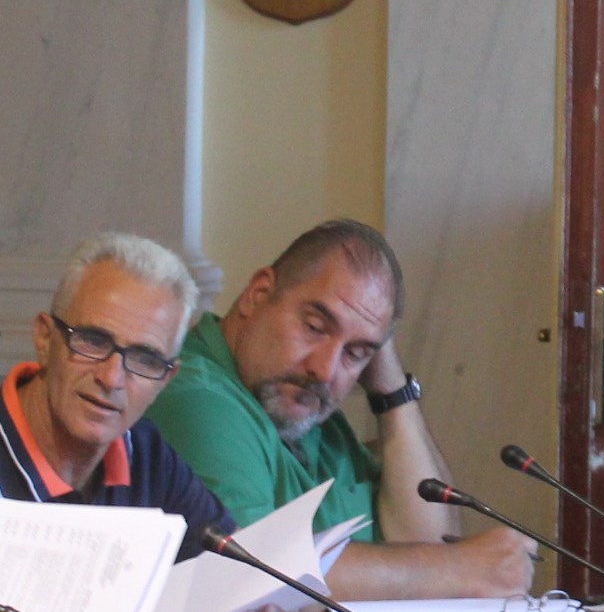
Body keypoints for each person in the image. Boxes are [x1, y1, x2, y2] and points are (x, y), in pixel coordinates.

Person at [146, 219, 536, 601]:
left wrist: (393, 394)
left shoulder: (310, 414)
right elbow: (249, 571)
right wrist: (456, 567)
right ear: (257, 293)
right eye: (315, 327)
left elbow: (426, 542)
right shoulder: (196, 395)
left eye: (356, 352)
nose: (325, 369)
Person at [0, 232, 235, 562]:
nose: (111, 378)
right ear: (45, 339)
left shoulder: (146, 454)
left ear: (166, 379)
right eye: (93, 341)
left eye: (145, 359)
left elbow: (232, 572)